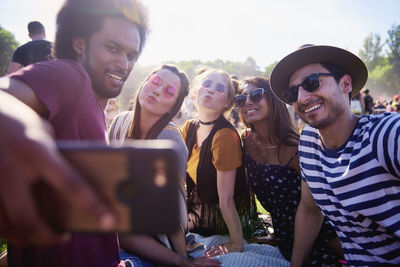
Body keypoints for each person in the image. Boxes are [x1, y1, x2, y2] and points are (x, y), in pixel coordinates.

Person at [0, 0, 149, 266]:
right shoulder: (71, 75)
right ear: (80, 45)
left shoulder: (91, 108)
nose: (124, 64)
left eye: (131, 55)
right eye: (113, 48)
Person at [270, 44, 400, 266]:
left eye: (312, 83)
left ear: (346, 84)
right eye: (293, 93)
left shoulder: (384, 134)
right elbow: (310, 210)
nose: (301, 98)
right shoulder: (309, 143)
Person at [108, 65, 220, 267]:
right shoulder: (119, 122)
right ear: (146, 81)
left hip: (154, 238)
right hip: (114, 224)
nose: (157, 91)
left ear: (172, 107)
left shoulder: (169, 140)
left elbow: (173, 211)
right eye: (156, 82)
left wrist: (183, 261)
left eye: (169, 92)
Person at [235, 76, 344, 266]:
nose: (248, 102)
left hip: (320, 239)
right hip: (285, 239)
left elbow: (318, 209)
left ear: (273, 99)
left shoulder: (295, 148)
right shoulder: (245, 143)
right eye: (241, 99)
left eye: (256, 95)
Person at [183, 68, 263, 258]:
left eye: (219, 88)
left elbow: (226, 200)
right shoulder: (189, 127)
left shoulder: (224, 136)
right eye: (206, 84)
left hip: (219, 222)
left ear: (227, 102)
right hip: (196, 214)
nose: (210, 90)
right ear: (195, 91)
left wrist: (236, 245)